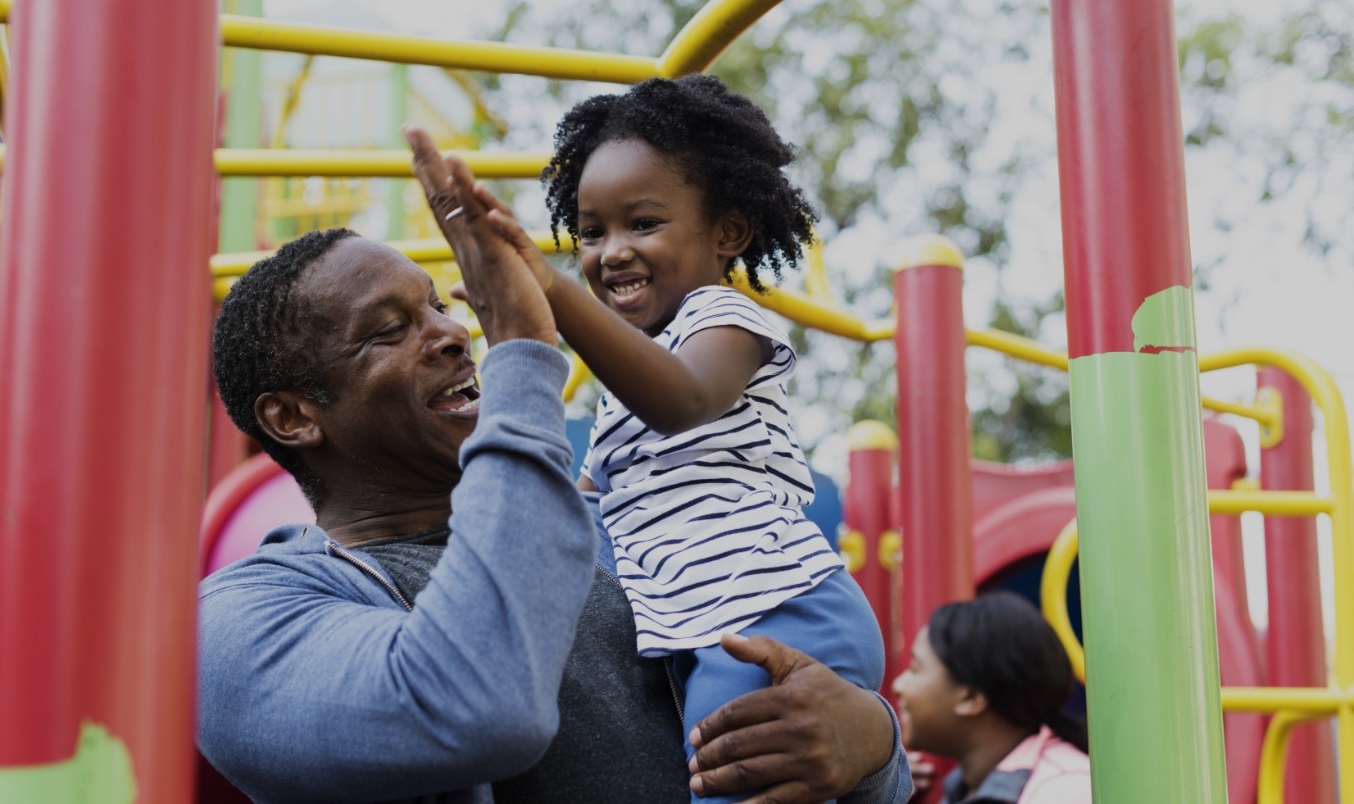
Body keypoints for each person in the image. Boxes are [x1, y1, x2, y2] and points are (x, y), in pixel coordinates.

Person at [196, 124, 913, 803]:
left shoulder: (615, 529)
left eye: (442, 305)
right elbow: (481, 705)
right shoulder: (244, 622)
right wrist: (523, 352)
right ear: (292, 417)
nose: (452, 333)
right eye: (390, 330)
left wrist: (871, 747)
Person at [454, 74, 886, 804]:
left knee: (730, 781)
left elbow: (681, 401)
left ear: (728, 234)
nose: (611, 251)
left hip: (774, 612)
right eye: (591, 233)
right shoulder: (620, 395)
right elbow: (580, 513)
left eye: (643, 223)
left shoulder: (725, 321)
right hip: (703, 629)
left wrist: (550, 292)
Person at [891, 593, 1091, 804]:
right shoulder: (968, 786)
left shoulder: (1062, 790)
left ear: (972, 697)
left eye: (915, 669)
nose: (898, 685)